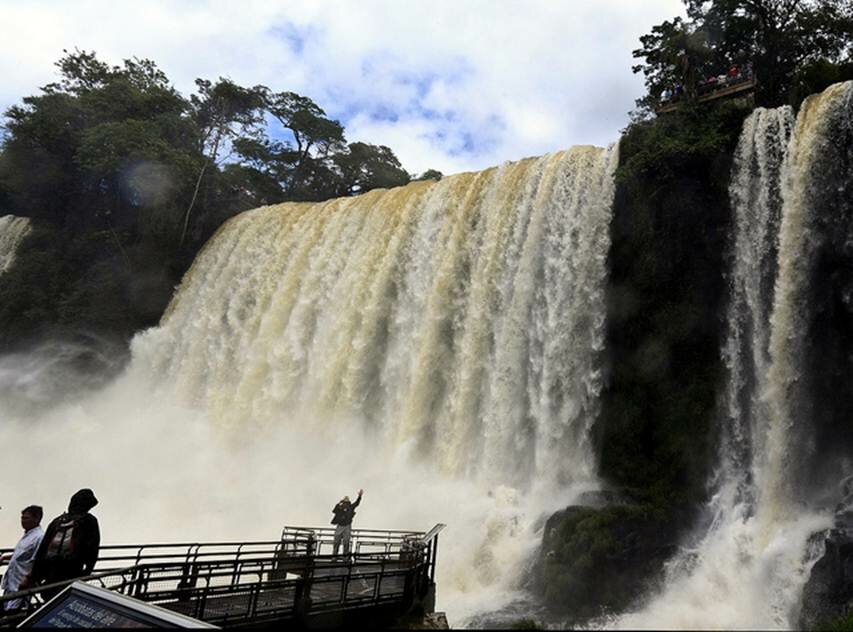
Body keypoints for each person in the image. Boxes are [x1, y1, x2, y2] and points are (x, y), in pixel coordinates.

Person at [24, 489, 100, 599]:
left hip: (51, 571)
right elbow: (92, 548)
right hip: (72, 570)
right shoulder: (89, 520)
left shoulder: (57, 521)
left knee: (48, 601)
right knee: (64, 600)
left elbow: (43, 549)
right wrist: (87, 571)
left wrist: (35, 576)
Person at [1, 506, 44, 612]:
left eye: (26, 518)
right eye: (22, 518)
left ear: (37, 518)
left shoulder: (39, 537)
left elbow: (37, 560)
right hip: (11, 581)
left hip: (22, 581)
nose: (22, 521)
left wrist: (28, 578)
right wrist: (4, 557)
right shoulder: (27, 535)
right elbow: (20, 553)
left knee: (13, 611)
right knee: (5, 606)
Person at [331, 489, 363, 558]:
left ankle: (345, 557)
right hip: (340, 525)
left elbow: (356, 503)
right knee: (336, 542)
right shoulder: (339, 507)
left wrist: (359, 496)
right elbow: (334, 511)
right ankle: (334, 556)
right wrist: (339, 504)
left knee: (346, 542)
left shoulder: (350, 507)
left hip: (347, 526)